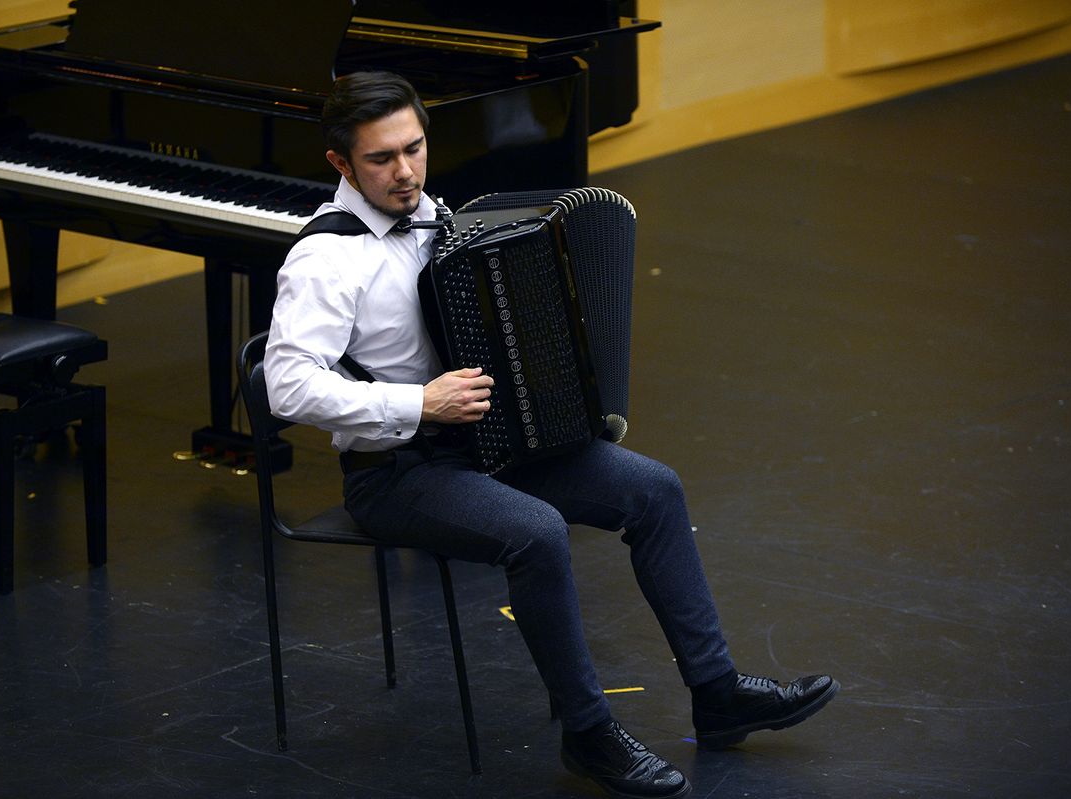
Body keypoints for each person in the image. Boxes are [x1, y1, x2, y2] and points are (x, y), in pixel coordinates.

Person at [264, 70, 838, 799]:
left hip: (491, 443)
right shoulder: (325, 259)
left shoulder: (439, 218)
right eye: (381, 158)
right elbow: (286, 385)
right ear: (340, 163)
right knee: (537, 532)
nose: (405, 171)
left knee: (654, 489)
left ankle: (717, 692)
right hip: (398, 471)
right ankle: (588, 734)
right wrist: (419, 402)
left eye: (414, 148)